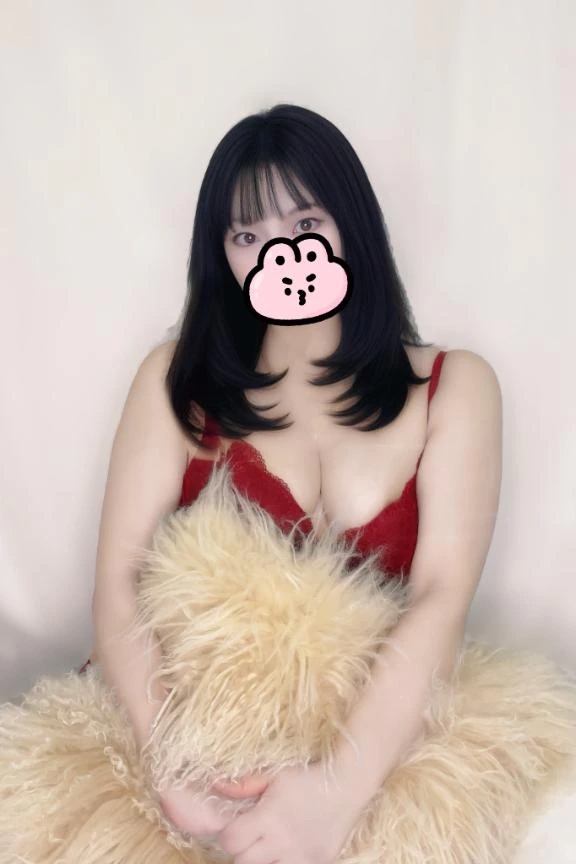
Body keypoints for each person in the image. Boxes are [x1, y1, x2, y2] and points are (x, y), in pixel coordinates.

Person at [86, 104, 502, 862]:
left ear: (351, 228)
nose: (282, 255)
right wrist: (174, 761)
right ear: (222, 255)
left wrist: (333, 794)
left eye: (306, 223)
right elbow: (116, 583)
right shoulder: (175, 382)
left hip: (370, 751)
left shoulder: (455, 387)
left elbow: (444, 595)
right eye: (247, 236)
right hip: (183, 737)